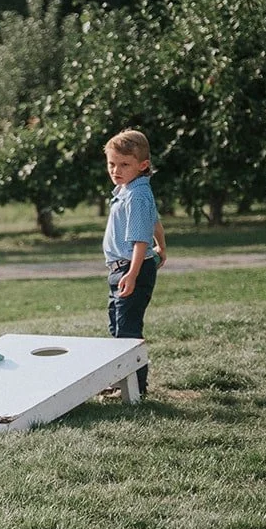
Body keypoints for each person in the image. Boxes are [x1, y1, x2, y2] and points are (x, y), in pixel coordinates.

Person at [103, 129, 164, 396]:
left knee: (127, 331)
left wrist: (133, 273)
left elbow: (140, 240)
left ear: (143, 165)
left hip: (130, 268)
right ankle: (120, 381)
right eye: (112, 164)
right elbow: (155, 221)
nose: (116, 170)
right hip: (122, 269)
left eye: (124, 164)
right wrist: (162, 245)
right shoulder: (129, 189)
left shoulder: (136, 195)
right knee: (117, 327)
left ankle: (135, 388)